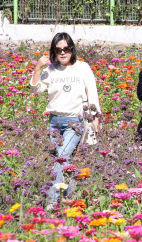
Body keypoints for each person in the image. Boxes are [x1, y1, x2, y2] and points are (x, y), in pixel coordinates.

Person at [30, 32, 101, 211]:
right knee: (61, 160)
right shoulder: (50, 69)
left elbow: (92, 92)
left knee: (61, 159)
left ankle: (52, 203)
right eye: (58, 49)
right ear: (54, 51)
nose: (62, 53)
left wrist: (95, 117)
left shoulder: (83, 68)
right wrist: (38, 67)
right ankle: (72, 199)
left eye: (66, 49)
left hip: (74, 121)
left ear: (72, 49)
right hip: (54, 121)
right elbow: (36, 89)